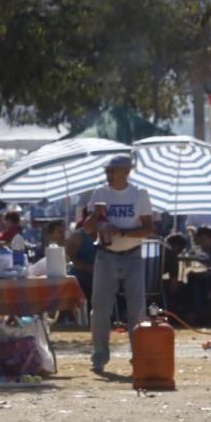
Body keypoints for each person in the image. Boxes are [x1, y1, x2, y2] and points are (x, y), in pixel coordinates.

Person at [82, 155, 154, 373]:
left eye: (113, 171)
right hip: (106, 255)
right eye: (107, 171)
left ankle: (138, 357)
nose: (108, 175)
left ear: (126, 171)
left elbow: (148, 229)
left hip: (132, 255)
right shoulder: (100, 193)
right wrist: (96, 214)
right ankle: (100, 356)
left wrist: (122, 231)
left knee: (136, 310)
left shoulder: (139, 194)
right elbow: (87, 229)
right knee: (101, 310)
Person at [64, 208, 98, 312]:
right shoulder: (78, 236)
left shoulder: (105, 233)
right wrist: (86, 267)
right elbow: (70, 256)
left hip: (100, 275)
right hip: (81, 276)